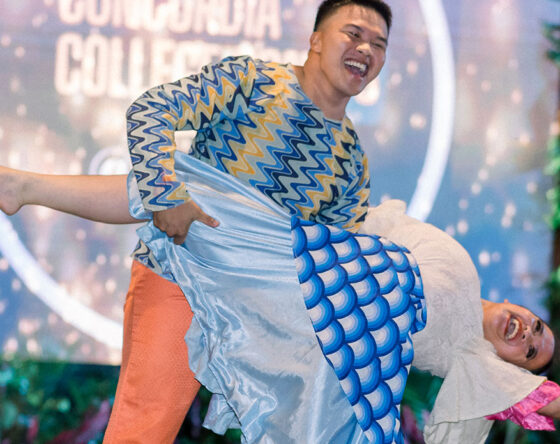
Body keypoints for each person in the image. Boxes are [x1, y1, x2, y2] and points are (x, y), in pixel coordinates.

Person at [3, 0, 393, 443]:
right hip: (183, 278)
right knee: (143, 432)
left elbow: (327, 258)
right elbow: (151, 110)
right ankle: (24, 188)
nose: (365, 49)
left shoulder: (352, 160)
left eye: (378, 44)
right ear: (316, 40)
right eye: (354, 34)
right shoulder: (254, 81)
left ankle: (25, 187)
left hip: (255, 315)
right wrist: (165, 196)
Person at [1, 156, 560, 443]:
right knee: (193, 195)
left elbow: (543, 401)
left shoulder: (472, 362)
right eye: (537, 325)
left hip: (334, 331)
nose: (527, 334)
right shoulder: (461, 266)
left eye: (531, 352)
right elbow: (375, 223)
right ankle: (26, 186)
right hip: (314, 261)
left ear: (512, 370)